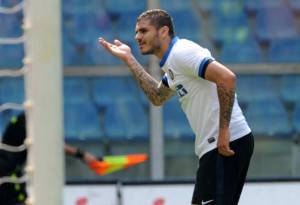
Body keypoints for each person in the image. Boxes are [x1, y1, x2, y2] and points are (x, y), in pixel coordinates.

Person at [99, 9, 254, 205]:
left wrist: (224, 131)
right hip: (216, 145)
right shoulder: (172, 62)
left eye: (143, 31)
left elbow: (227, 78)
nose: (137, 37)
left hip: (226, 143)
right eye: (136, 32)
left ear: (163, 31)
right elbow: (157, 97)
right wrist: (129, 59)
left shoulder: (182, 53)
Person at [0, 112, 97, 205]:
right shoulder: (28, 123)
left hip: (12, 168)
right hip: (7, 169)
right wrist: (82, 155)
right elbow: (52, 144)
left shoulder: (26, 120)